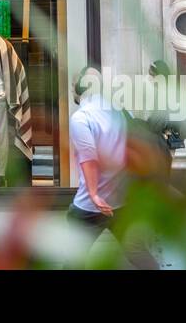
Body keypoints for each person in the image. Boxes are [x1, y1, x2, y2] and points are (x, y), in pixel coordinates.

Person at [66, 66, 159, 269]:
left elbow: (88, 157)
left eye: (74, 84)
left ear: (80, 88)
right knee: (139, 254)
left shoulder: (81, 117)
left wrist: (93, 194)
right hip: (120, 201)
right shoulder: (120, 112)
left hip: (89, 205)